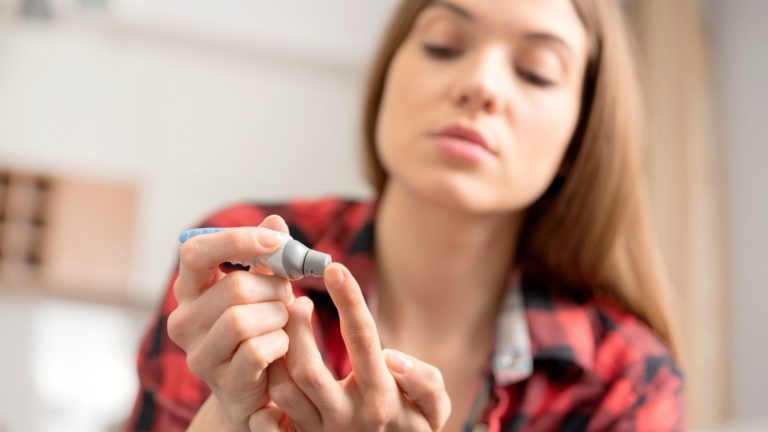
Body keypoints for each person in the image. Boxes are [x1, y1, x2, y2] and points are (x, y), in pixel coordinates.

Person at [126, 0, 686, 430]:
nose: (479, 86)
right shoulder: (245, 262)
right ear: (388, 74)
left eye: (536, 72)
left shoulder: (625, 376)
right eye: (444, 45)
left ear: (577, 140)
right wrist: (229, 414)